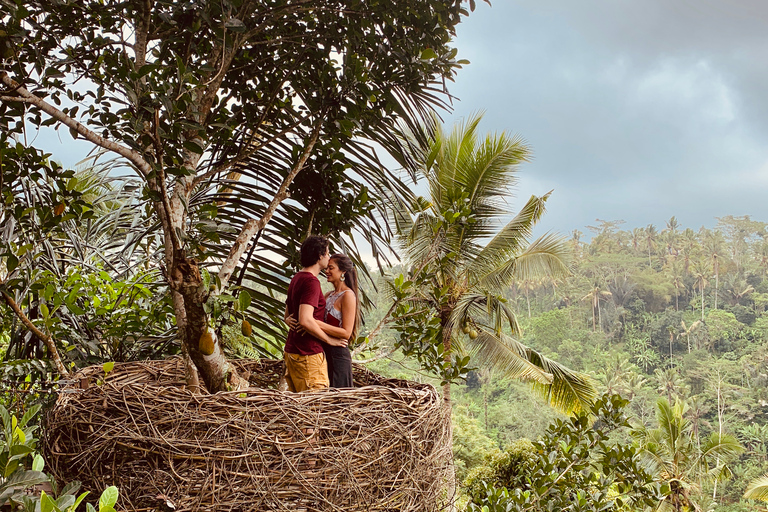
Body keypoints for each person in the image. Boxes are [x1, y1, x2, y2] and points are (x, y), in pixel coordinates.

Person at [283, 236, 347, 392]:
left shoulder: (297, 278)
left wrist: (287, 320)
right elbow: (305, 320)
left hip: (292, 351)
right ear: (319, 256)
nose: (329, 256)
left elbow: (288, 311)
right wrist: (329, 340)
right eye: (327, 253)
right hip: (307, 354)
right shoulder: (311, 282)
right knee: (315, 409)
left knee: (298, 407)